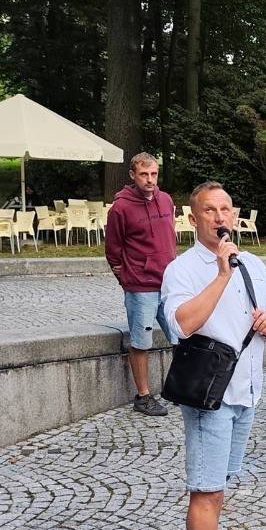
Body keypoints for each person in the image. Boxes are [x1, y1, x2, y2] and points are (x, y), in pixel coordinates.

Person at [161, 181, 266, 530]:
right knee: (206, 487)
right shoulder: (183, 269)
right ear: (193, 220)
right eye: (209, 210)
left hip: (247, 385)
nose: (219, 217)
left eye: (225, 209)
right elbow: (182, 324)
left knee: (225, 479)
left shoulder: (252, 263)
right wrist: (221, 275)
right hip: (209, 390)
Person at [105, 152, 177, 417]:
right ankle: (143, 396)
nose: (150, 180)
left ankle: (178, 389)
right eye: (144, 174)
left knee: (182, 336)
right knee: (141, 342)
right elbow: (113, 251)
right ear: (133, 175)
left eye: (154, 174)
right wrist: (127, 280)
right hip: (141, 286)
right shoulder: (121, 208)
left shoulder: (167, 200)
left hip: (170, 284)